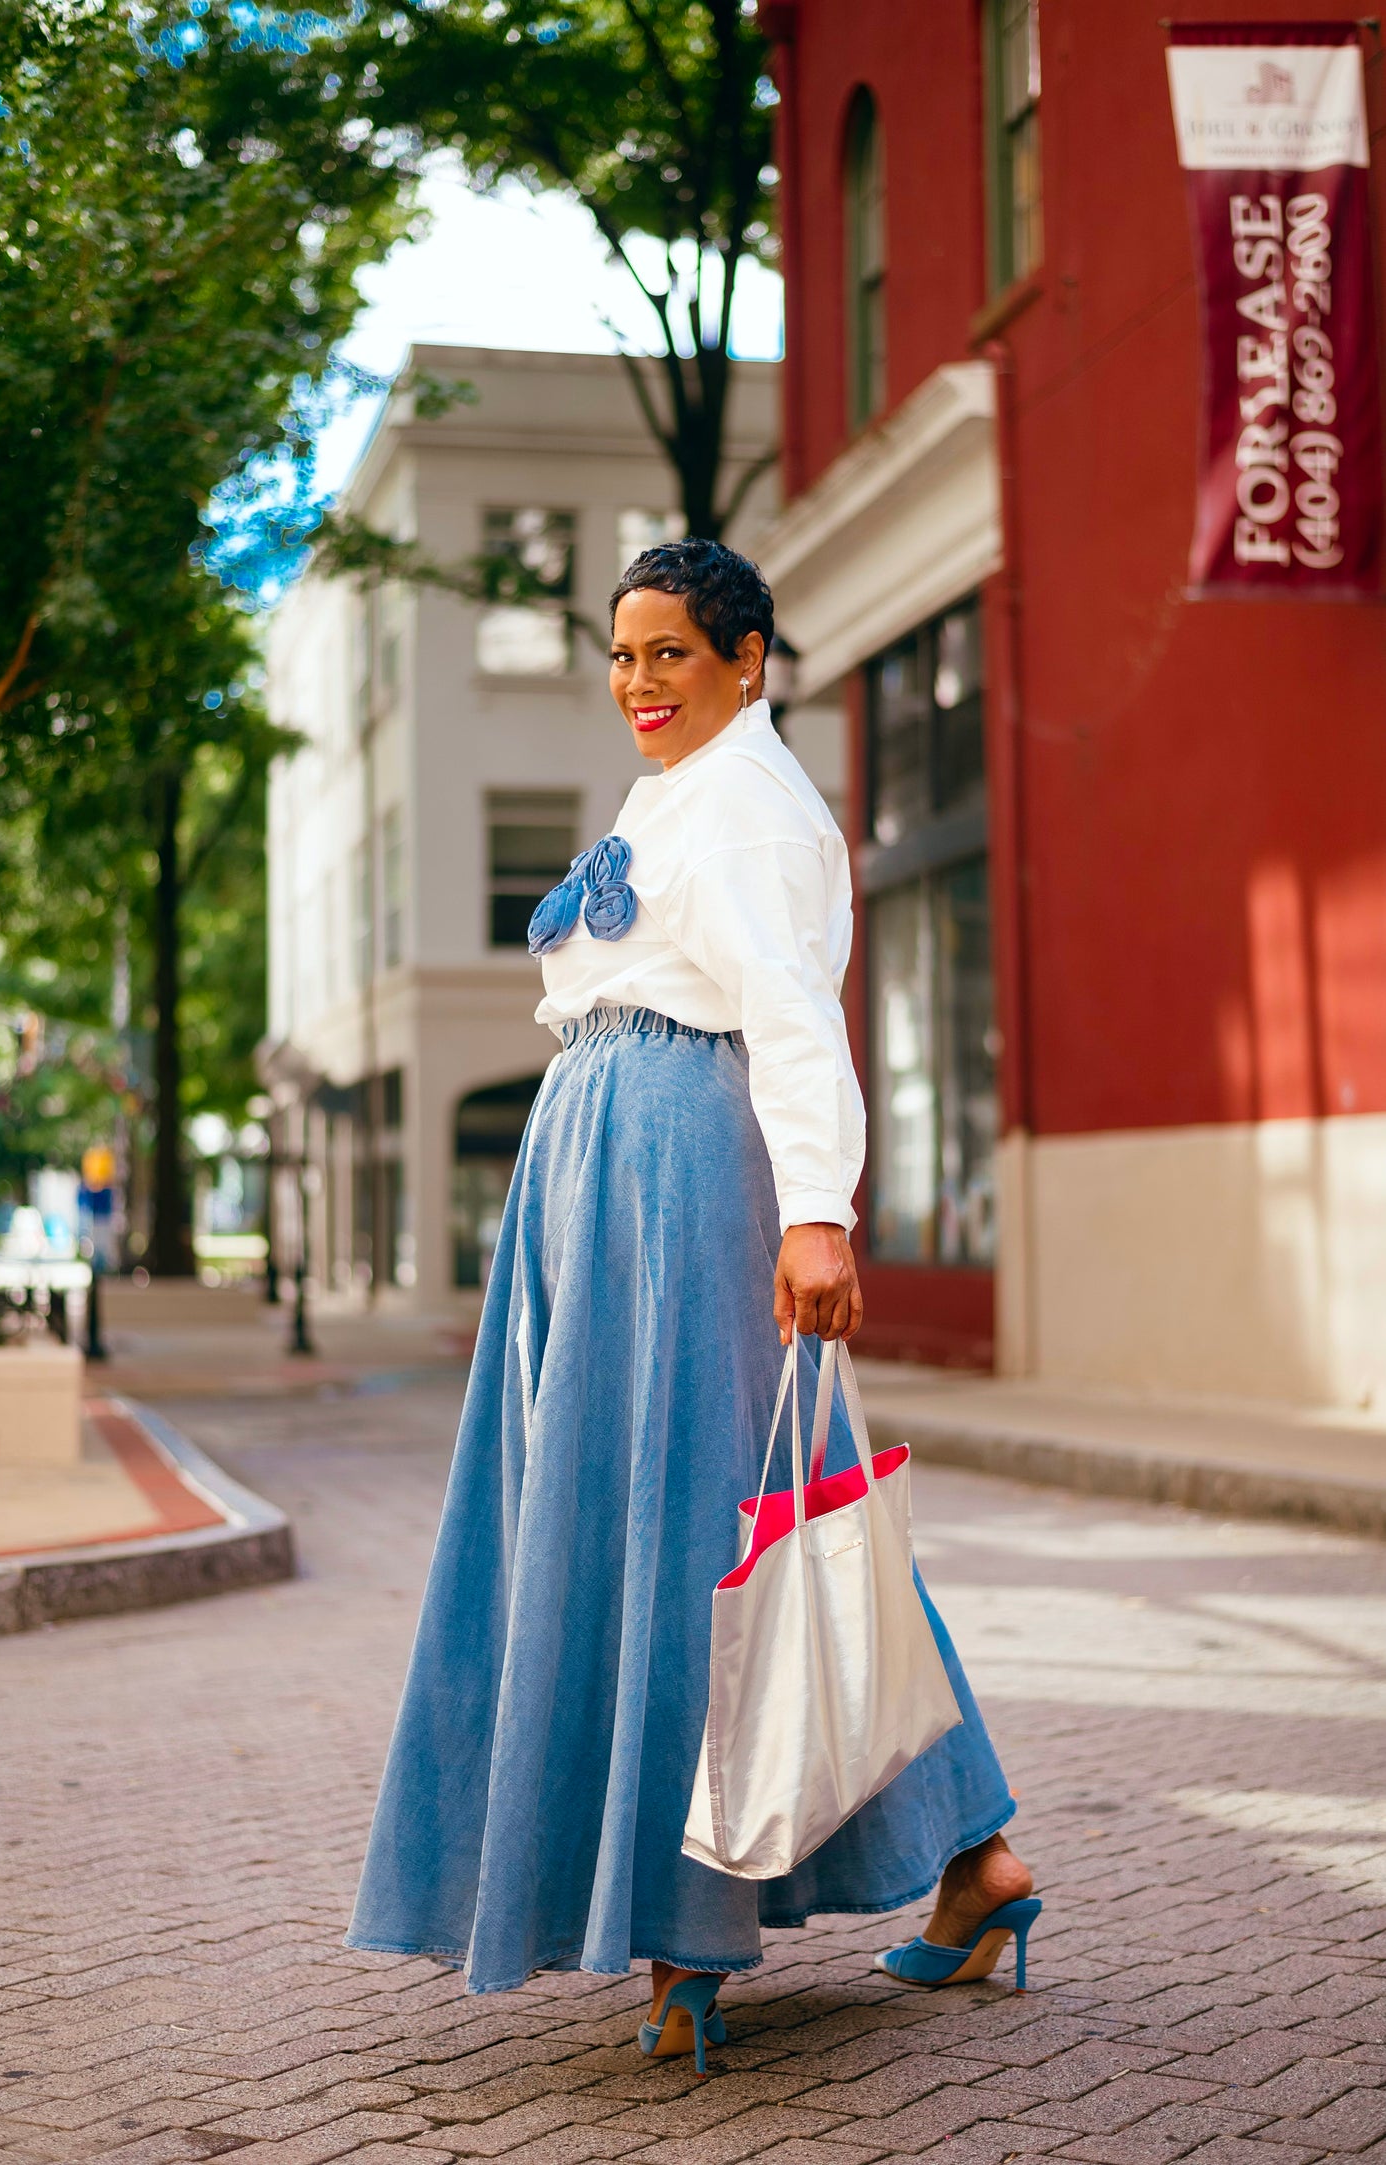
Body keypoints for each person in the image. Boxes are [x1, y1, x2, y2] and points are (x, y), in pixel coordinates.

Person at [346, 540, 1037, 2068]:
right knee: (728, 1511)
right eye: (622, 653)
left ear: (747, 657)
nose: (638, 682)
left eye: (670, 652)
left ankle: (689, 1926)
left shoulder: (751, 804)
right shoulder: (681, 788)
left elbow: (792, 1017)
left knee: (691, 1524)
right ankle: (973, 1859)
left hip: (677, 1168)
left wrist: (814, 1214)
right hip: (603, 1165)